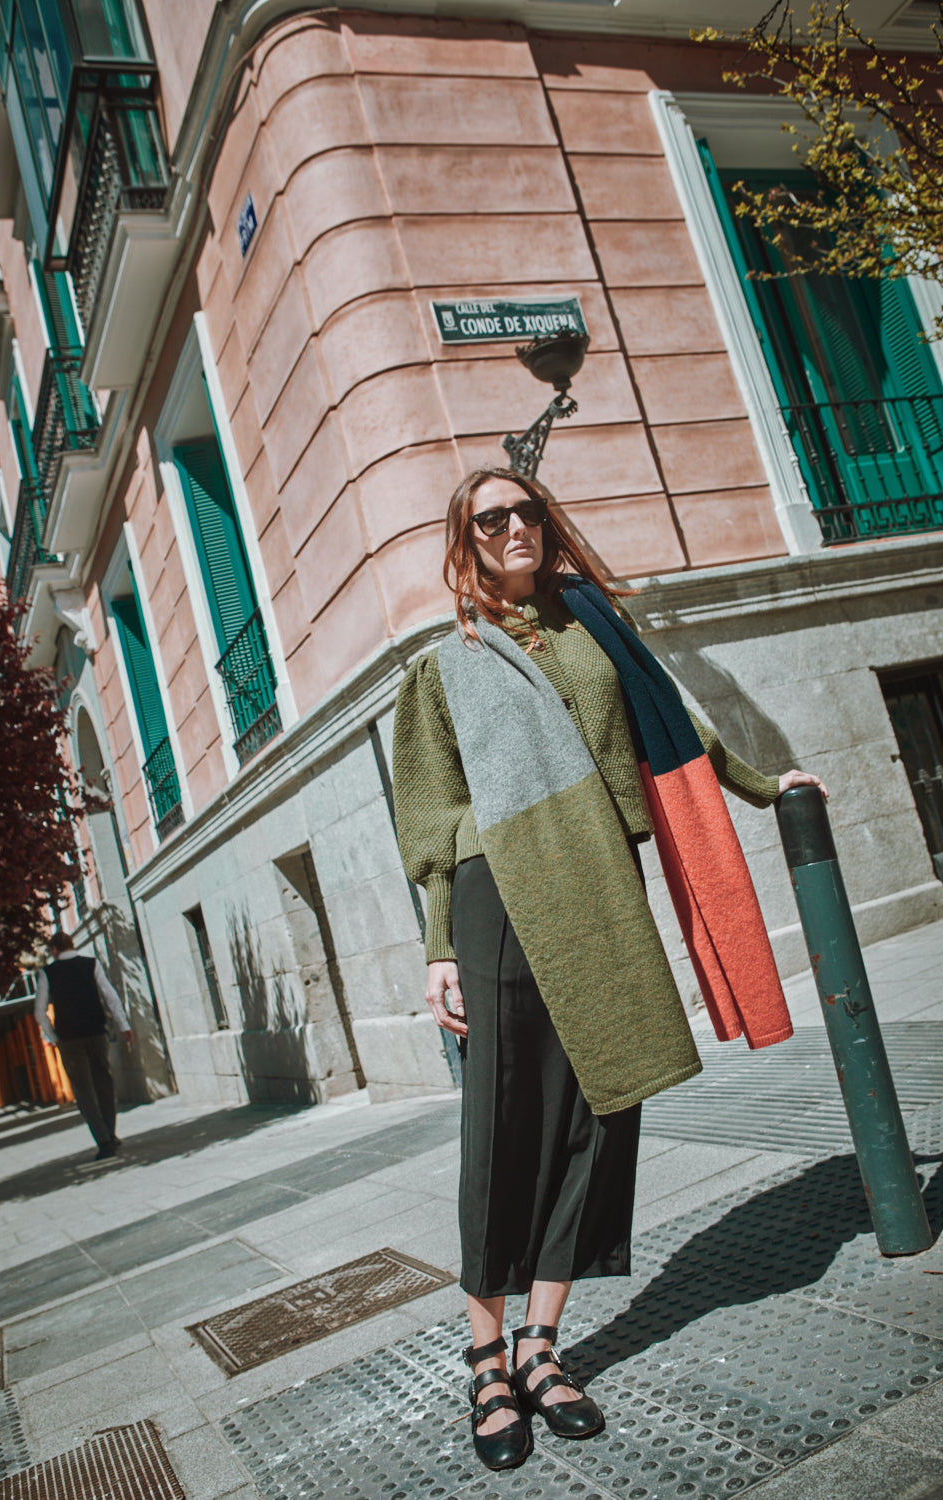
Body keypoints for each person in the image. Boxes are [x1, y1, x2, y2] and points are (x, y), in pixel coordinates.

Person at [392, 466, 827, 1472]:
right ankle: (486, 1359)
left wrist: (765, 784)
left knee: (606, 1106)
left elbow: (674, 727)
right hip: (499, 893)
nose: (513, 527)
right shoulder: (444, 663)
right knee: (502, 1120)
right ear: (464, 541)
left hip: (599, 879)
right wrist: (438, 946)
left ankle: (543, 1347)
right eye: (490, 518)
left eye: (525, 510)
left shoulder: (593, 629)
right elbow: (428, 816)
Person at [34, 931, 133, 1161]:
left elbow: (40, 1011)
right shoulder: (91, 964)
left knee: (83, 1091)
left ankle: (104, 1140)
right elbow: (110, 996)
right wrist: (123, 1024)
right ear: (71, 944)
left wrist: (53, 1036)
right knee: (104, 1083)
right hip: (97, 1032)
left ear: (54, 949)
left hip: (69, 1039)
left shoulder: (47, 973)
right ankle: (110, 1133)